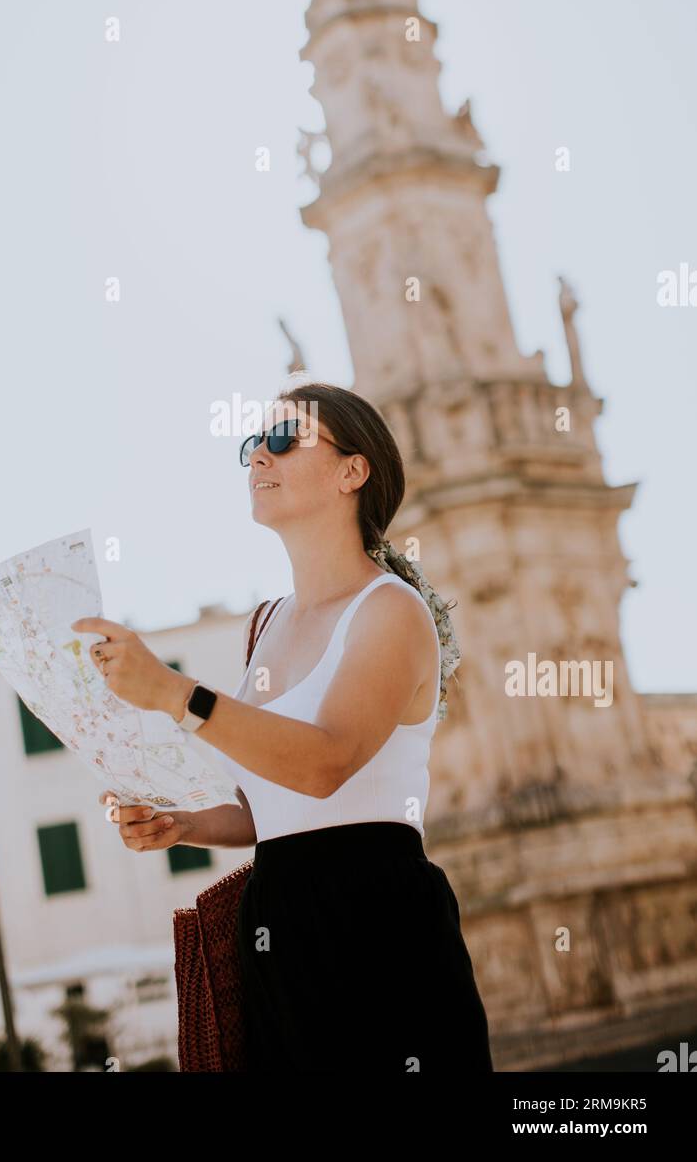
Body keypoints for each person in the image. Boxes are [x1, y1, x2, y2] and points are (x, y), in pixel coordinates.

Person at [79, 380, 494, 1073]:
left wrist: (175, 694)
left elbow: (324, 763)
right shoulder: (264, 625)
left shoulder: (390, 611)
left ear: (352, 471)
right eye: (252, 446)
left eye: (281, 441)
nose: (257, 460)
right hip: (276, 923)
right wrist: (182, 824)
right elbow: (266, 803)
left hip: (375, 917)